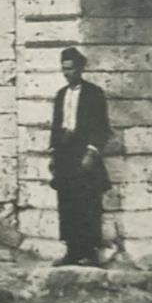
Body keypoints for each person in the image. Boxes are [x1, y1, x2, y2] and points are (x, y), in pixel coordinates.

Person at [49, 47, 111, 266]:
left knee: (88, 202)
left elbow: (102, 127)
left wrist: (92, 152)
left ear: (81, 68)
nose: (67, 73)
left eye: (71, 69)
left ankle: (90, 253)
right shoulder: (61, 95)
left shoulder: (94, 94)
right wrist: (53, 154)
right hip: (65, 155)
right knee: (67, 202)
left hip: (84, 153)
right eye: (64, 69)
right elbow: (56, 126)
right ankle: (72, 251)